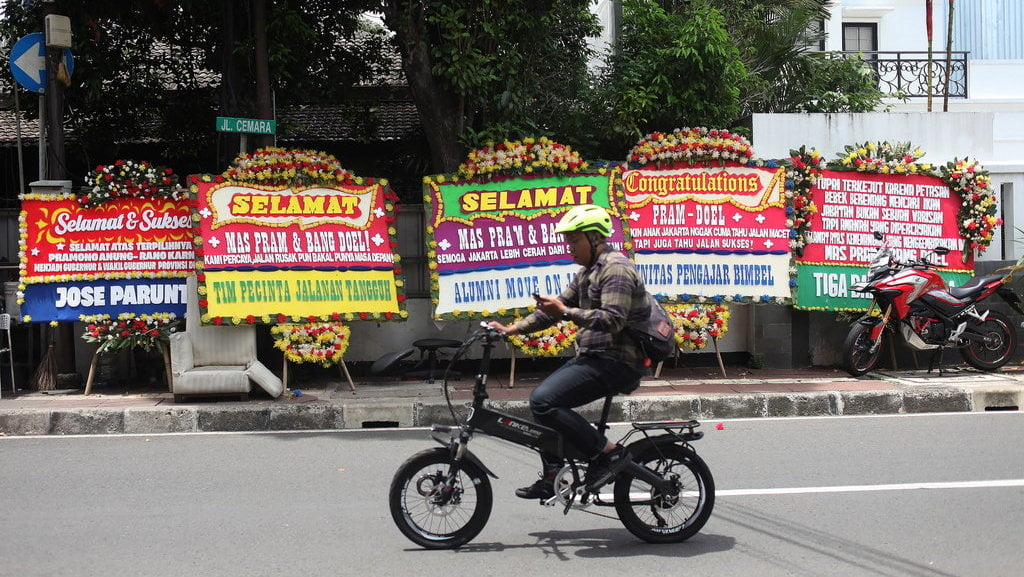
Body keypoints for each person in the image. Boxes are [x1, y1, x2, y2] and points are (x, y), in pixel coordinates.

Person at [488, 204, 651, 500]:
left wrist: (565, 311)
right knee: (543, 402)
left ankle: (608, 453)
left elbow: (613, 319)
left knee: (543, 401)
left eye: (575, 241)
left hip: (618, 360)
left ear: (595, 238)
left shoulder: (616, 268)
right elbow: (554, 310)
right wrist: (512, 330)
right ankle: (553, 476)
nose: (570, 248)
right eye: (568, 242)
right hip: (596, 357)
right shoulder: (587, 273)